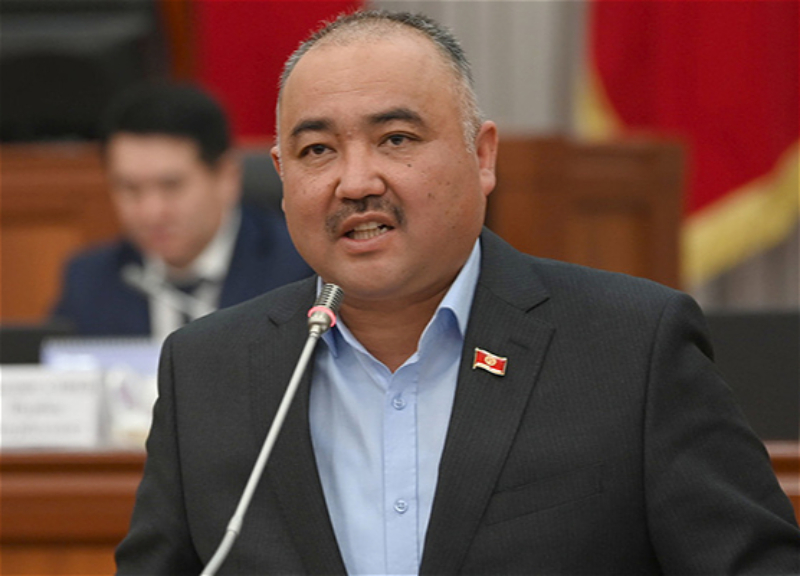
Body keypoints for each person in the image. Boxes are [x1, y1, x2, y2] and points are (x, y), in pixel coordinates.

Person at [116, 11, 800, 574]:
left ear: (482, 156)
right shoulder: (206, 370)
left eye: (396, 138)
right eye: (317, 151)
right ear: (282, 177)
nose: (356, 182)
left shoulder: (631, 346)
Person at [52, 83, 312, 339]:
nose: (152, 213)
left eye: (171, 186)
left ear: (227, 177)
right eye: (130, 189)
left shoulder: (298, 269)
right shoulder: (90, 280)